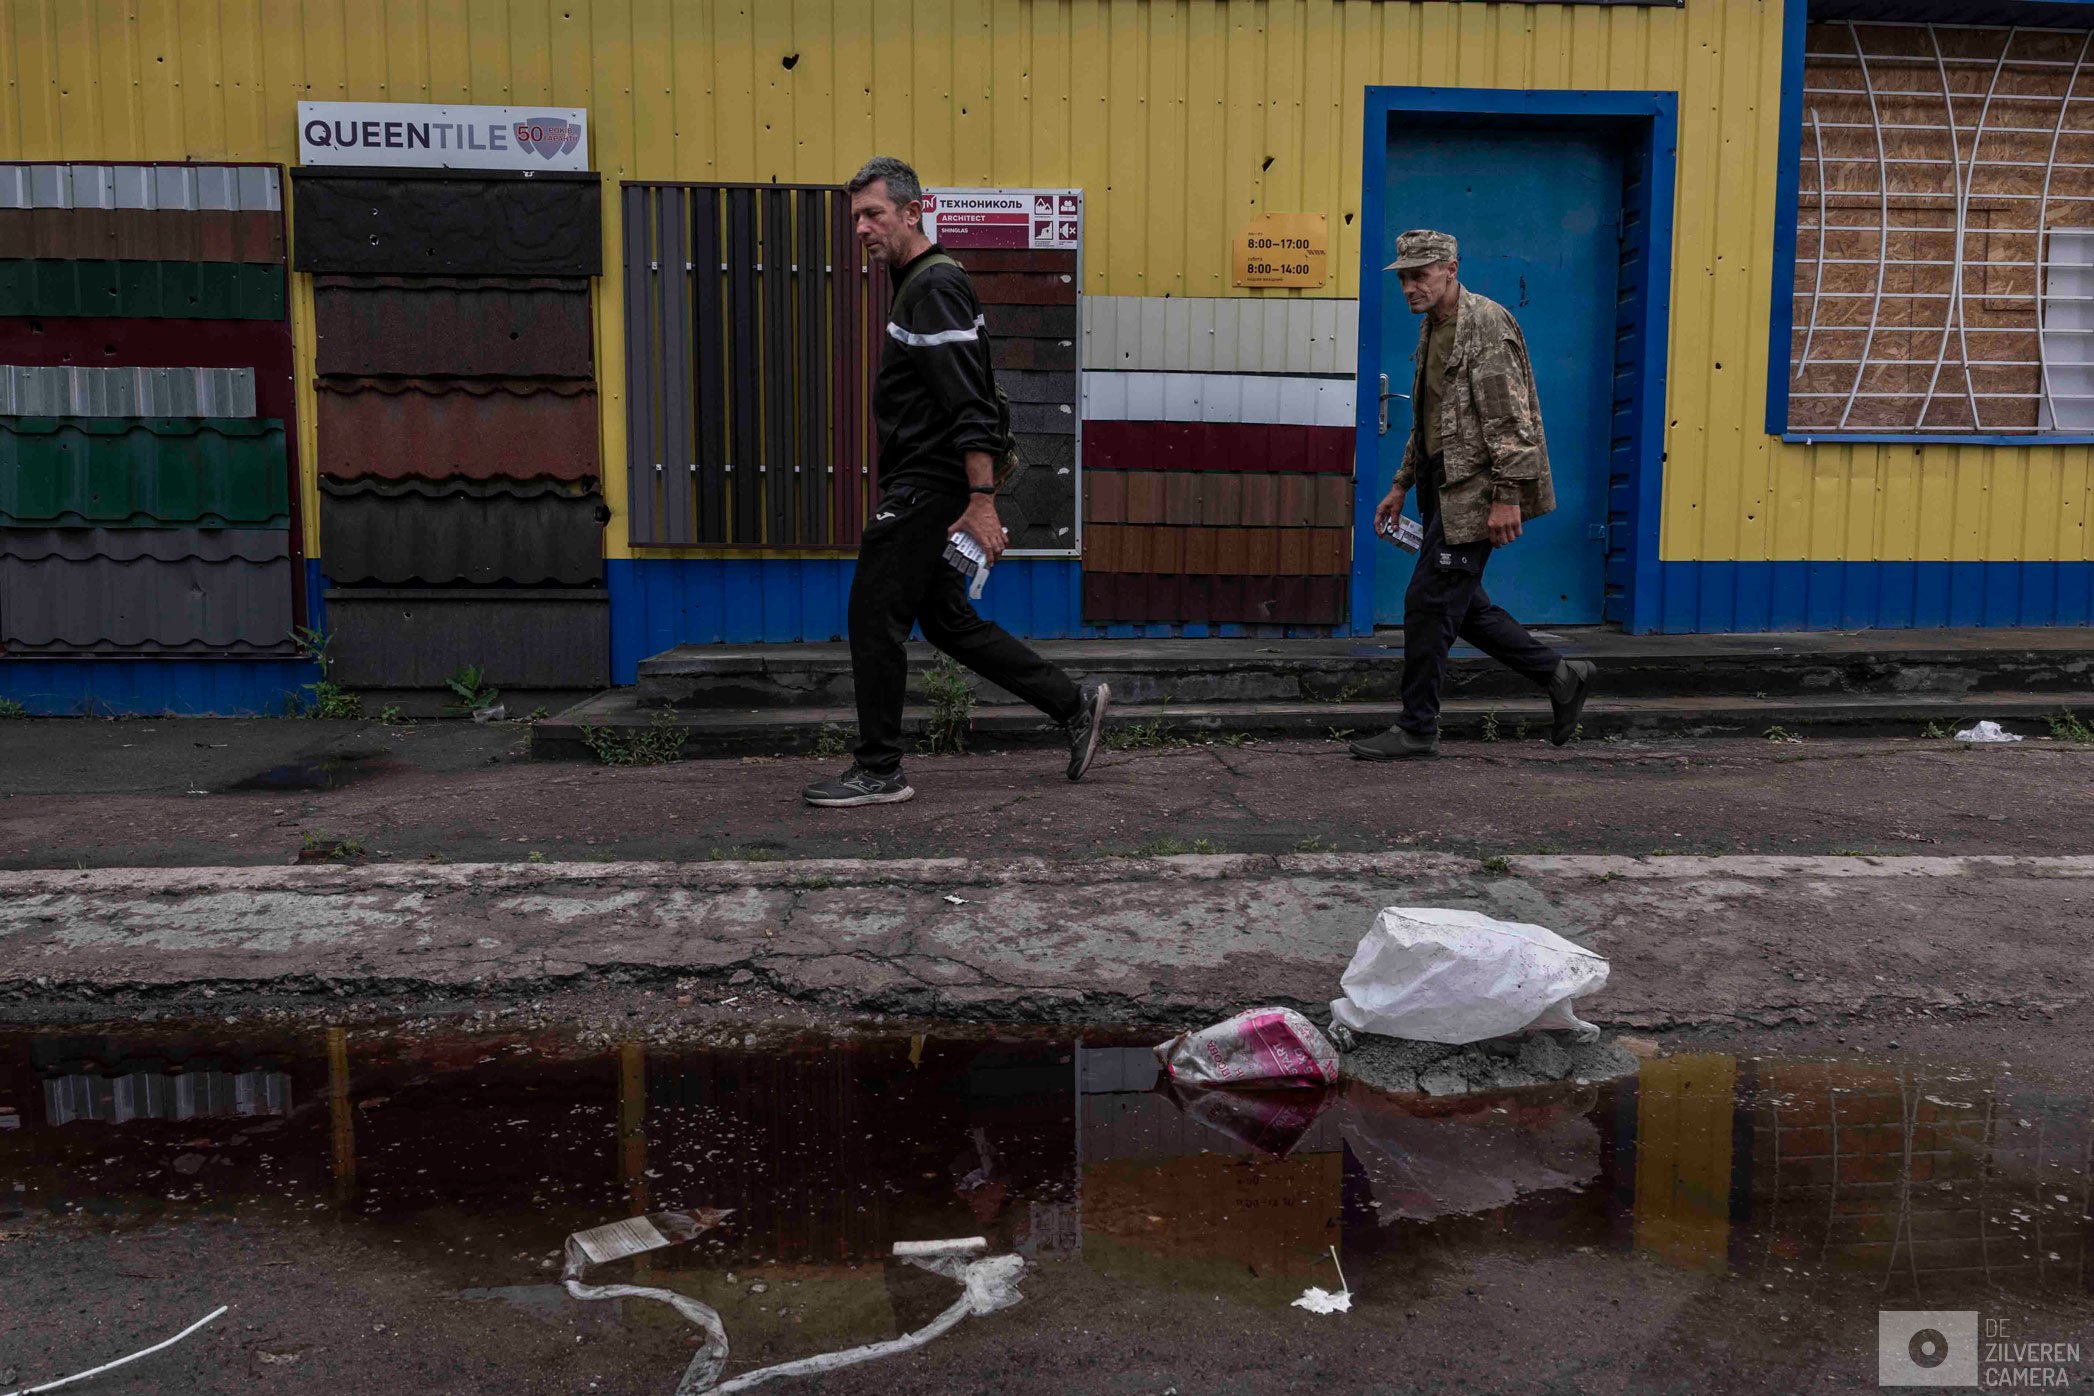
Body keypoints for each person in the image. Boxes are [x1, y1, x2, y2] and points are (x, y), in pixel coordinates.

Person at [803, 156, 1110, 808]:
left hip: (928, 483)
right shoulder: (919, 282)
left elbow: (970, 402)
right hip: (933, 480)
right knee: (944, 620)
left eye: (873, 214)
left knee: (873, 614)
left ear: (912, 212)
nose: (861, 228)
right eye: (855, 217)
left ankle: (879, 769)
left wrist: (981, 500)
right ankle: (1074, 704)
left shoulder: (933, 286)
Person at [1350, 229, 1596, 762]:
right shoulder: (1433, 327)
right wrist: (1400, 484)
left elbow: (1512, 422)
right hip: (1442, 486)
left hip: (1477, 490)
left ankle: (1417, 728)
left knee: (1428, 601)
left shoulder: (1485, 324)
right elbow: (1429, 420)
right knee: (1460, 606)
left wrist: (1507, 497)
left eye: (1420, 275)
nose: (1409, 287)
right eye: (1404, 277)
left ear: (1451, 269)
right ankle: (1560, 675)